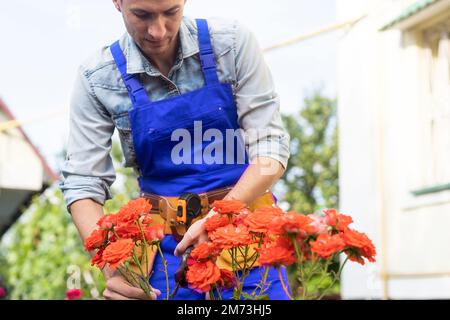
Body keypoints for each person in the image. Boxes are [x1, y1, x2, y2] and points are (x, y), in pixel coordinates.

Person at [60, 0, 291, 300]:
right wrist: (113, 269)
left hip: (247, 233)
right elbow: (82, 183)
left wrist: (220, 217)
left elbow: (270, 150)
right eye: (142, 15)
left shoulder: (232, 43)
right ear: (117, 2)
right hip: (164, 253)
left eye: (171, 12)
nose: (158, 31)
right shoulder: (98, 79)